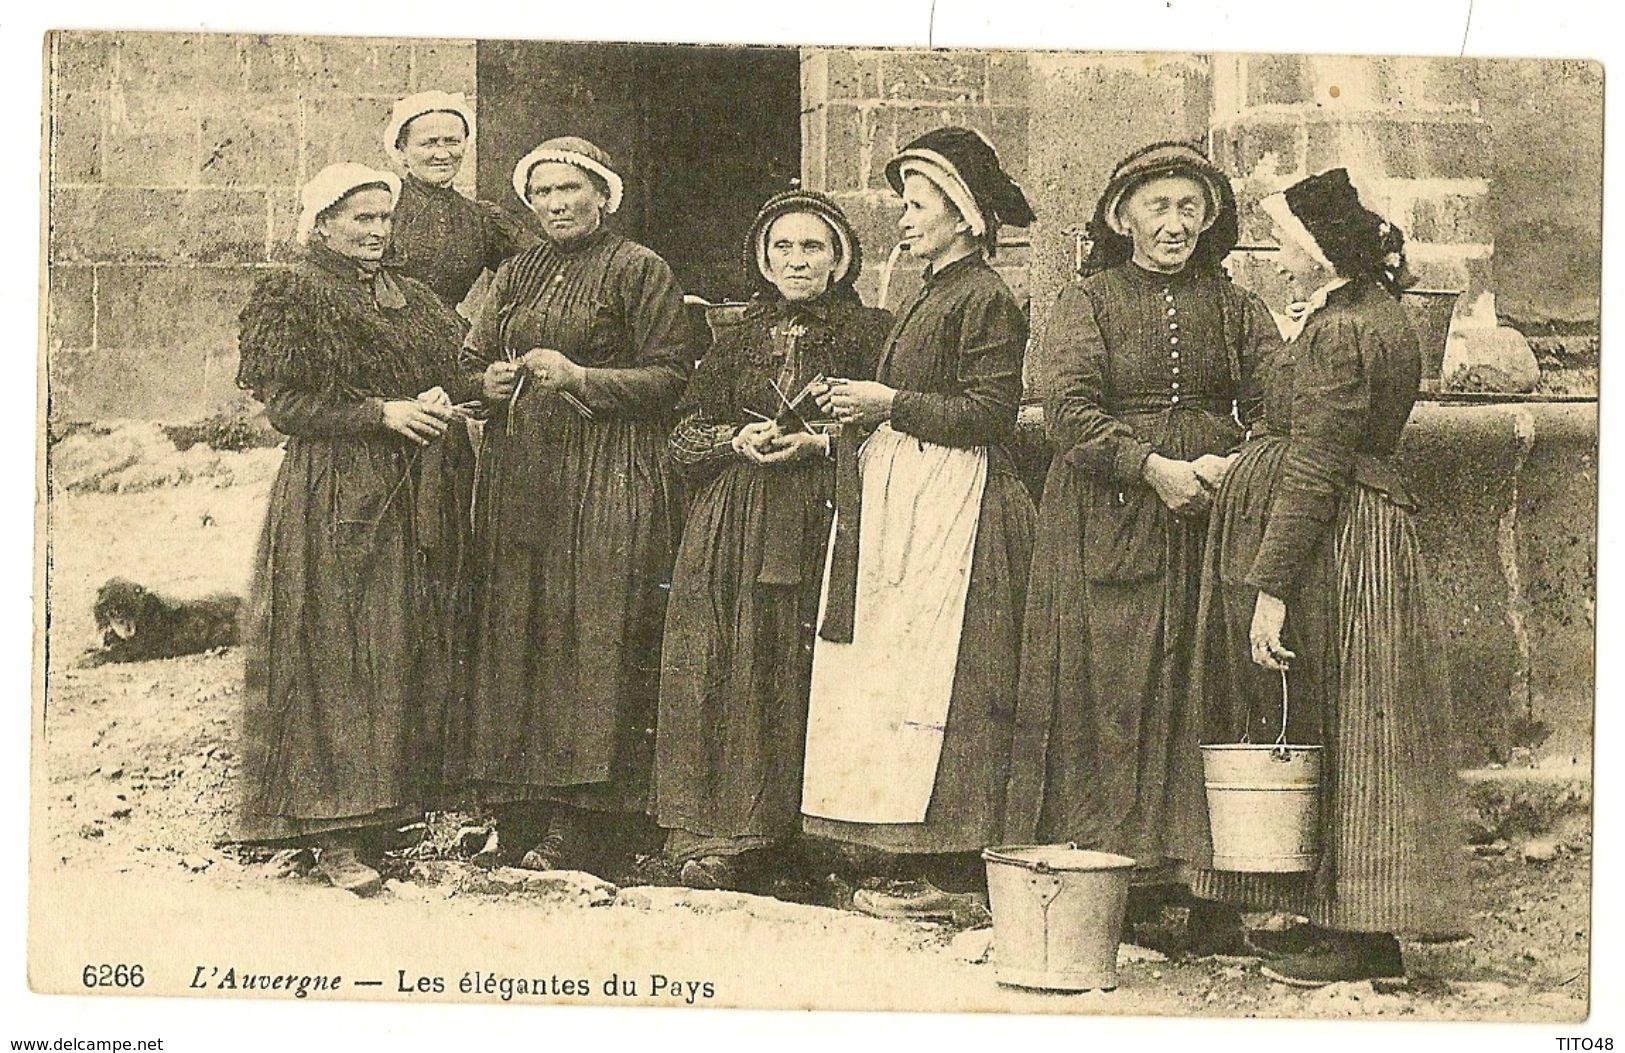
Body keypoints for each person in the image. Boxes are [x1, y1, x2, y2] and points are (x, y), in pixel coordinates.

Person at [1184, 168, 1466, 985]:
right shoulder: (1353, 315)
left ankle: (1360, 935)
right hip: (1342, 534)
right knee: (1334, 717)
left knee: (1347, 722)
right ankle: (1335, 919)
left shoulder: (1344, 330)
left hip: (1341, 543)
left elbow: (1317, 462)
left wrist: (1269, 589)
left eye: (1284, 245)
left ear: (1317, 250)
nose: (1274, 258)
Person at [1007, 142, 1281, 947]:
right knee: (1112, 690)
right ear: (1121, 216)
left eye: (1188, 208)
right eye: (1156, 208)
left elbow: (1277, 399)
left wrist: (1237, 465)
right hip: (1107, 515)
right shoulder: (1087, 303)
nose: (1173, 224)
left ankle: (1204, 884)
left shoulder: (1236, 308)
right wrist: (1150, 465)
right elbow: (1067, 412)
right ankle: (1110, 878)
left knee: (1201, 689)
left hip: (1209, 517)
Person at [801, 128, 1037, 918]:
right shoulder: (934, 291)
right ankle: (905, 844)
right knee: (902, 668)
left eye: (915, 206)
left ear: (963, 217)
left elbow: (990, 413)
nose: (902, 219)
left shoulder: (986, 297)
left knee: (952, 674)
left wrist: (886, 402)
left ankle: (952, 865)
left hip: (956, 501)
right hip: (911, 489)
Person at [454, 137, 695, 874]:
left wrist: (584, 377)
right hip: (523, 473)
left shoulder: (638, 268)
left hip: (608, 475)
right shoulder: (518, 270)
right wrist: (487, 385)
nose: (557, 205)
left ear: (602, 194)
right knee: (517, 632)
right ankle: (517, 810)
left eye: (570, 190)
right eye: (543, 194)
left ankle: (584, 820)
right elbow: (470, 360)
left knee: (591, 634)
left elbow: (671, 377)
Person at [234, 162, 474, 895]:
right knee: (332, 650)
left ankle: (380, 810)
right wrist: (382, 413)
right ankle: (327, 831)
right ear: (323, 224)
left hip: (406, 495)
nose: (375, 231)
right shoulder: (295, 292)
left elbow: (454, 372)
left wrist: (443, 392)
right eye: (360, 218)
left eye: (383, 218)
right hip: (332, 491)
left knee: (394, 642)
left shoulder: (412, 296)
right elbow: (288, 406)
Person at [655, 190, 892, 891]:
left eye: (812, 247)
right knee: (736, 665)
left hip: (830, 515)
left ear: (838, 258)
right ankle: (730, 835)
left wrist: (820, 442)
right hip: (737, 521)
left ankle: (824, 841)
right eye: (783, 248)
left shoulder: (872, 332)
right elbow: (682, 438)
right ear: (764, 259)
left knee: (821, 670)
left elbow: (895, 428)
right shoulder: (733, 339)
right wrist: (738, 438)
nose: (797, 261)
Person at [380, 91, 537, 311]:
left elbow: (541, 266)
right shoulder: (383, 207)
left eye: (452, 142)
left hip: (449, 336)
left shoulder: (481, 219)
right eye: (429, 144)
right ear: (403, 150)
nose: (442, 154)